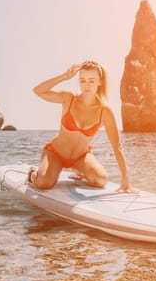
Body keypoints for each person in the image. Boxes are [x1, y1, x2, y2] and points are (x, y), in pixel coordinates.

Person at [29, 60, 136, 193]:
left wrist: (125, 181)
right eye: (82, 80)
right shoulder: (69, 98)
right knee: (43, 183)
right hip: (56, 154)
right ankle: (33, 173)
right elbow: (38, 91)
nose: (87, 85)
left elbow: (116, 146)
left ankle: (79, 172)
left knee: (101, 180)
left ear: (100, 82)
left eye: (91, 80)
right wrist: (64, 76)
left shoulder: (105, 111)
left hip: (80, 157)